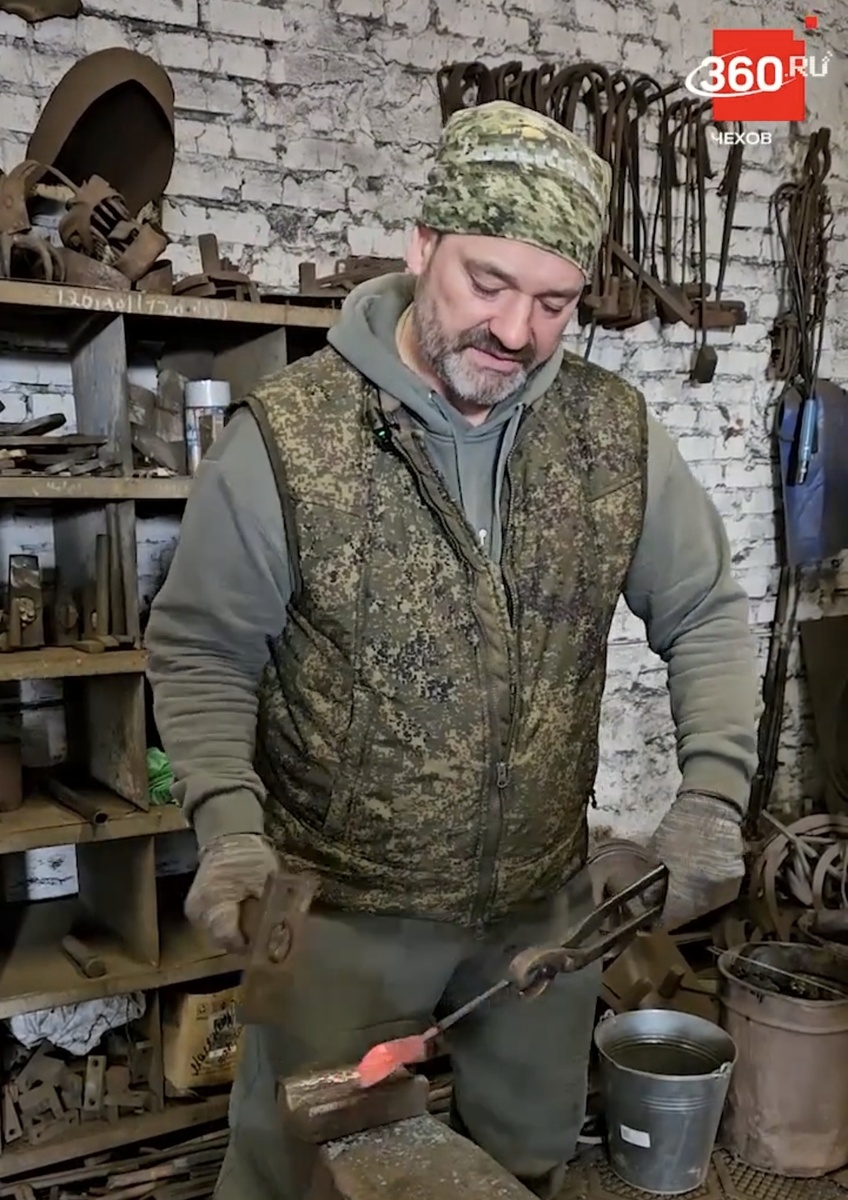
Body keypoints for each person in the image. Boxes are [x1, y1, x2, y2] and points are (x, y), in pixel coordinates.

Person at [145, 100, 758, 1199]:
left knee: (523, 1158)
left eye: (553, 302)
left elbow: (705, 610)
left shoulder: (611, 434)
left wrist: (711, 792)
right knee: (299, 1162)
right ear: (422, 245)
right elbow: (203, 651)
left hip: (538, 904)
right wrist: (229, 830)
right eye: (488, 283)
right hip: (335, 909)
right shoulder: (290, 437)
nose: (515, 331)